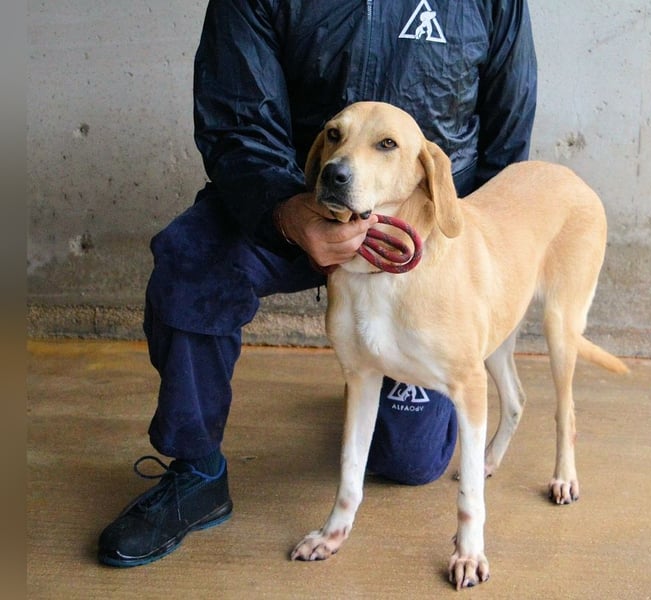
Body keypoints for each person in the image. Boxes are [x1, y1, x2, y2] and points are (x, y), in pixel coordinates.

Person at [98, 0, 537, 568]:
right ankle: (196, 470)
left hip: (418, 239)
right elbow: (237, 121)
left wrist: (456, 239)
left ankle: (373, 377)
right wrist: (285, 210)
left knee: (411, 463)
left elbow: (507, 139)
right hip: (291, 200)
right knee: (190, 262)